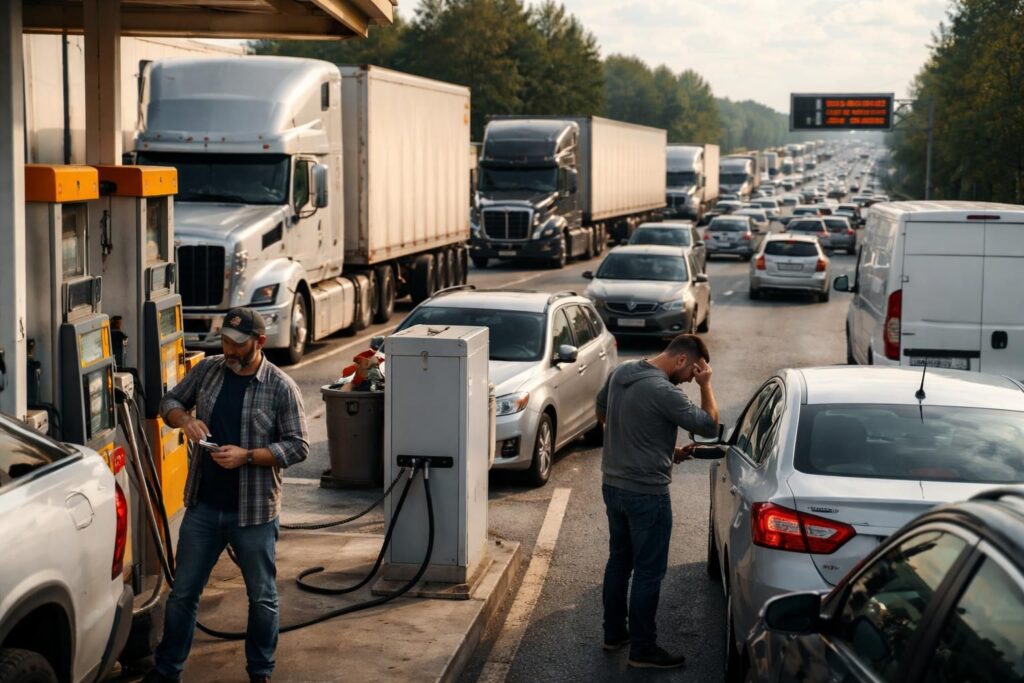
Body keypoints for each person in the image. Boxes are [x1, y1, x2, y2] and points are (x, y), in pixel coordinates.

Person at [144, 308, 309, 683]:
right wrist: (185, 421)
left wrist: (247, 456)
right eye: (225, 341)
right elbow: (168, 402)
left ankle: (260, 672)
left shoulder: (281, 387)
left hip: (253, 513)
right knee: (183, 593)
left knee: (262, 597)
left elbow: (298, 446)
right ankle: (167, 671)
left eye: (238, 344)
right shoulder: (210, 370)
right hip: (203, 507)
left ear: (259, 342)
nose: (229, 350)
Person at [594, 333, 720, 669]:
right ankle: (643, 649)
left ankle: (613, 634)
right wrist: (707, 386)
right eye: (692, 374)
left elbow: (602, 411)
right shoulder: (664, 391)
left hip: (613, 485)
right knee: (649, 572)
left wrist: (661, 450)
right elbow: (709, 427)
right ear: (682, 360)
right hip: (647, 494)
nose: (689, 381)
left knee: (619, 561)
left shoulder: (622, 372)